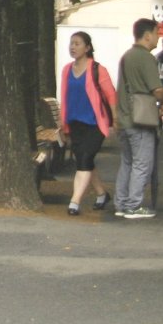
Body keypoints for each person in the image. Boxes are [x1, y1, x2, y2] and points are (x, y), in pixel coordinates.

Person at [114, 18, 163, 219]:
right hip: (141, 121)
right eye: (156, 33)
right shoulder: (146, 58)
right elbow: (157, 90)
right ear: (147, 35)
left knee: (127, 162)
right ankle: (133, 205)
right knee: (142, 163)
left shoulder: (126, 56)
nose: (158, 37)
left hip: (125, 117)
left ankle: (121, 203)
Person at [58, 31, 115, 216]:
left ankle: (74, 202)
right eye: (71, 43)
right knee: (85, 160)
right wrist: (63, 122)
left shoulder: (98, 69)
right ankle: (102, 194)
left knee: (83, 159)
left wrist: (116, 120)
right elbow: (65, 96)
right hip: (75, 123)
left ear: (87, 47)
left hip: (95, 124)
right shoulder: (67, 70)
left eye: (77, 43)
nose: (73, 47)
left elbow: (111, 96)